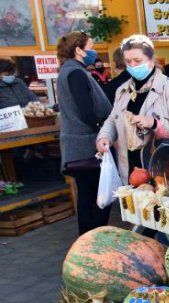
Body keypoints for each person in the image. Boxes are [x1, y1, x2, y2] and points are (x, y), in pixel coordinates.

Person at [96, 34, 169, 185]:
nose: (133, 65)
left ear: (151, 59)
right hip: (130, 168)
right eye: (128, 61)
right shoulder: (123, 90)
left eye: (138, 61)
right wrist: (104, 137)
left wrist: (154, 123)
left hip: (162, 167)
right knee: (134, 207)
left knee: (159, 207)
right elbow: (113, 119)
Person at [56, 31, 113, 235]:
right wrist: (104, 130)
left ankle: (87, 240)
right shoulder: (75, 73)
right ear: (78, 50)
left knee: (87, 195)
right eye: (91, 47)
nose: (93, 51)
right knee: (99, 196)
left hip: (77, 143)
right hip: (84, 144)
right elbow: (86, 110)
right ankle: (94, 238)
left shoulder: (68, 71)